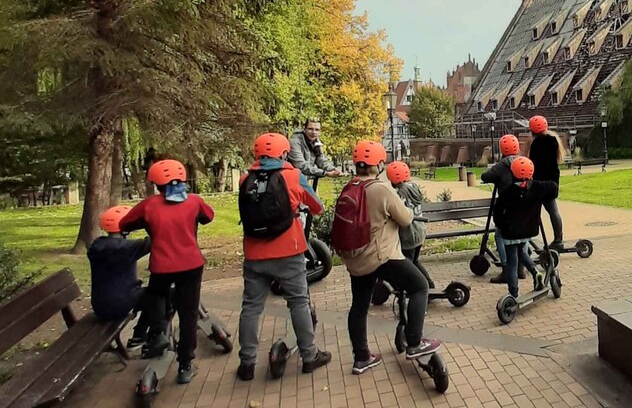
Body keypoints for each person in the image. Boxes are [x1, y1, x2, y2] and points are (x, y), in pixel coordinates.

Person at [336, 141, 441, 375]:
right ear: (380, 163)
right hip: (382, 256)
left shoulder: (349, 186)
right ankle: (415, 342)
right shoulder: (380, 189)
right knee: (419, 286)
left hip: (357, 259)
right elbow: (405, 218)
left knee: (359, 306)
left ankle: (362, 358)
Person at [235, 133, 330, 381]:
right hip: (289, 252)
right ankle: (309, 356)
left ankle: (247, 363)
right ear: (285, 154)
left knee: (251, 307)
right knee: (298, 302)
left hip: (254, 254)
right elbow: (317, 206)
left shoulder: (245, 179)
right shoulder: (292, 176)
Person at [120, 159, 214, 384]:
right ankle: (185, 366)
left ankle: (159, 334)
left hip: (162, 266)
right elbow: (209, 217)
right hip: (191, 264)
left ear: (156, 183)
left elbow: (125, 223)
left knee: (156, 295)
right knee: (188, 313)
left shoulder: (148, 205)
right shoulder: (193, 201)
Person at [88, 205, 152, 350]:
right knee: (160, 294)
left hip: (100, 305)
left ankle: (139, 336)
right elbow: (153, 242)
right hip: (122, 303)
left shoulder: (96, 245)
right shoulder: (126, 248)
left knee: (150, 295)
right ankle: (141, 335)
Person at [494, 157, 552, 298]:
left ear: (513, 173)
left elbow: (497, 214)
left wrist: (502, 226)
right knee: (521, 251)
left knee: (512, 263)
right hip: (528, 230)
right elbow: (553, 188)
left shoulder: (507, 192)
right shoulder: (538, 188)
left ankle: (513, 293)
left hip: (511, 232)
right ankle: (535, 272)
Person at [481, 134, 525, 284]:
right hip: (524, 206)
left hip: (507, 209)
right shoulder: (523, 162)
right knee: (523, 235)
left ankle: (507, 269)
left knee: (500, 235)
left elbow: (485, 176)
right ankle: (521, 267)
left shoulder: (501, 165)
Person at [386, 161, 434, 288]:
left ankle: (419, 287)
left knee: (407, 264)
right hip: (419, 232)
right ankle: (428, 285)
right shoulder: (414, 187)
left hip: (408, 235)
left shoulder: (400, 193)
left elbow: (396, 212)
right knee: (414, 262)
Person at [527, 116, 566, 249]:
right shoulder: (554, 140)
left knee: (532, 211)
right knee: (553, 211)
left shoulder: (536, 144)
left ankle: (526, 239)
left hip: (539, 183)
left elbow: (532, 164)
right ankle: (558, 239)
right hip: (552, 182)